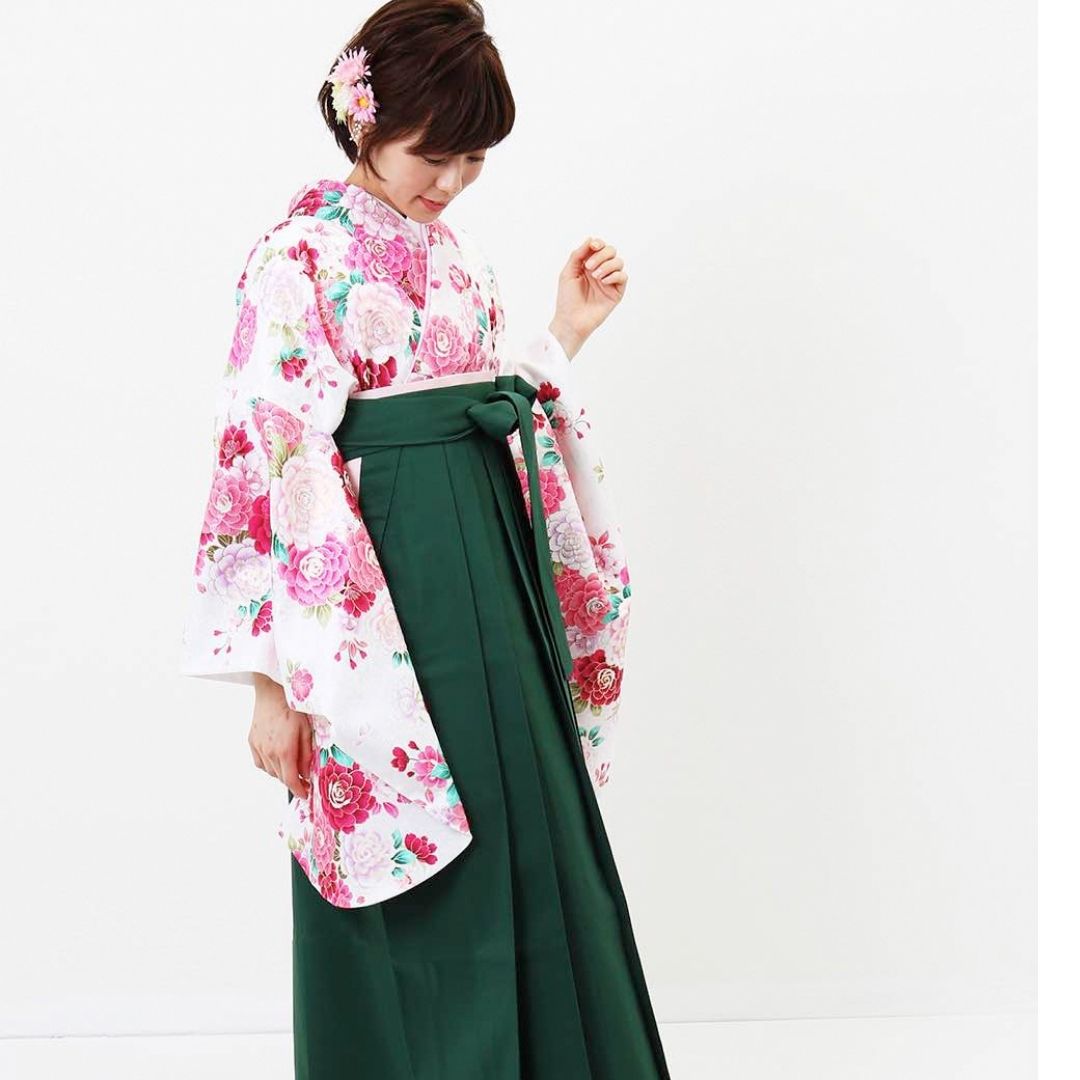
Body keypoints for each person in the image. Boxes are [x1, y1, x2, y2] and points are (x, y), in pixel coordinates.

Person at [180, 1, 671, 1076]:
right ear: (365, 121)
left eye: (473, 161)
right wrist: (274, 684)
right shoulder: (297, 256)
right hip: (375, 587)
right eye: (430, 155)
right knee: (405, 831)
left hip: (487, 562)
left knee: (523, 819)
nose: (449, 184)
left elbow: (486, 403)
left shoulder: (458, 260)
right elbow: (268, 456)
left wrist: (565, 329)